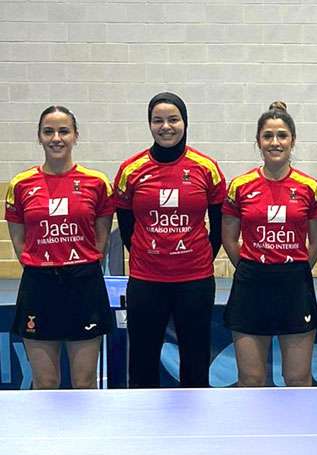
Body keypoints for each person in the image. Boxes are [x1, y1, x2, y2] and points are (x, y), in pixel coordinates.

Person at [113, 92, 226, 388]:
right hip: (146, 280)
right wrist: (149, 255)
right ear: (149, 124)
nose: (166, 126)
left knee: (196, 361)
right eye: (158, 120)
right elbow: (127, 226)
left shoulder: (207, 168)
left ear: (184, 123)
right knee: (142, 361)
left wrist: (195, 258)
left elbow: (219, 227)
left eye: (173, 119)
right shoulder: (130, 170)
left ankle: (194, 425)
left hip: (195, 280)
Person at [5, 106, 114, 389]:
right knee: (45, 382)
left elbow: (100, 238)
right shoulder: (20, 184)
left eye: (64, 131)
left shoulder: (97, 183)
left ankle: (86, 435)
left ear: (76, 136)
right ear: (39, 137)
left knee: (85, 382)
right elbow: (19, 241)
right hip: (39, 286)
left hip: (84, 285)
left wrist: (79, 262)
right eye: (48, 131)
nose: (56, 138)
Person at [222, 102, 317, 387]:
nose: (275, 142)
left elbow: (316, 240)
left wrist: (297, 266)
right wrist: (248, 265)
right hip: (251, 284)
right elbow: (229, 237)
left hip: (294, 285)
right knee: (251, 379)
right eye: (268, 136)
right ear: (258, 141)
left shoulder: (310, 187)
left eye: (282, 135)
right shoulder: (239, 186)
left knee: (296, 377)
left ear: (293, 140)